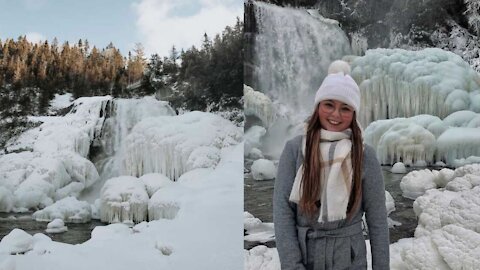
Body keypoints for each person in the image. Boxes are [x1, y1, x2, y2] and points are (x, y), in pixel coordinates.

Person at [273, 60, 389, 270]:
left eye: (345, 108)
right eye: (329, 105)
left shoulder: (364, 155)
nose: (335, 115)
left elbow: (378, 220)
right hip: (306, 257)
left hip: (350, 261)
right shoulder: (294, 150)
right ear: (318, 106)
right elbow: (283, 214)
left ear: (353, 114)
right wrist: (292, 266)